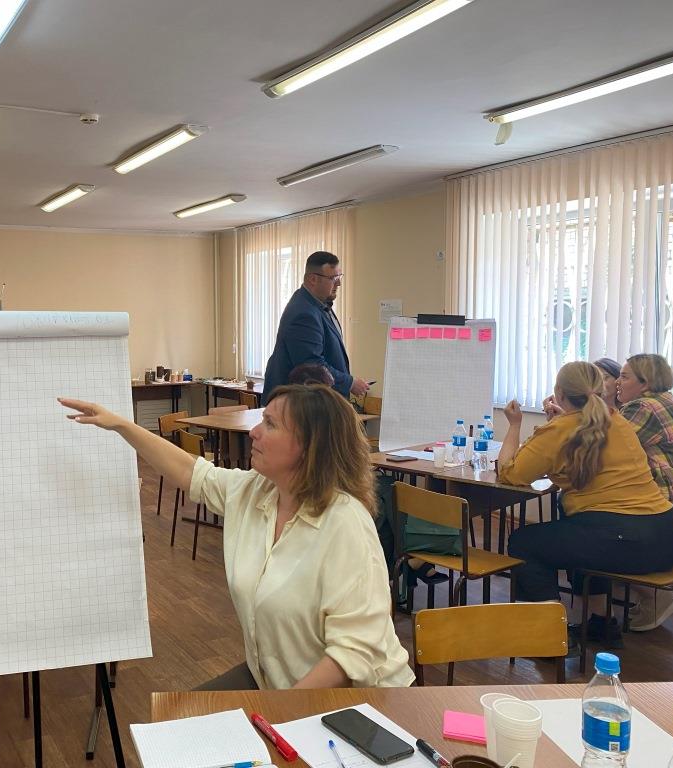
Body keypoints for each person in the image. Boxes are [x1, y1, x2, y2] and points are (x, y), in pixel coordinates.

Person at [60, 384, 413, 690]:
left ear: (309, 447)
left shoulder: (345, 523)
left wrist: (278, 716)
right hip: (275, 680)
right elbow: (190, 472)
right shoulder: (256, 491)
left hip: (360, 700)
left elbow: (352, 655)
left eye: (270, 424)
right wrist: (121, 425)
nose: (254, 432)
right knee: (178, 724)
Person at [498, 362, 673, 646]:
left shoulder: (560, 430)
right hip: (669, 537)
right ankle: (600, 625)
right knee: (576, 530)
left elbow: (509, 473)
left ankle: (549, 637)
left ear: (559, 393)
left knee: (524, 543)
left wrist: (514, 425)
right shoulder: (616, 419)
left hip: (627, 541)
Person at [615, 354, 673, 631]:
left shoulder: (643, 407)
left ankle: (653, 595)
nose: (617, 382)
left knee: (591, 522)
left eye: (624, 377)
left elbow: (603, 447)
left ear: (645, 383)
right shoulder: (666, 401)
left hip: (669, 504)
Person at [262, 251, 369, 404]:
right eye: (333, 278)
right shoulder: (303, 313)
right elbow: (313, 367)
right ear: (313, 279)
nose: (339, 283)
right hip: (298, 405)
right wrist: (350, 383)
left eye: (339, 276)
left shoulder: (317, 305)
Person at [543, 357, 620, 418]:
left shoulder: (623, 416)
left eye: (605, 377)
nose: (598, 383)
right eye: (592, 378)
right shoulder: (582, 414)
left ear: (618, 380)